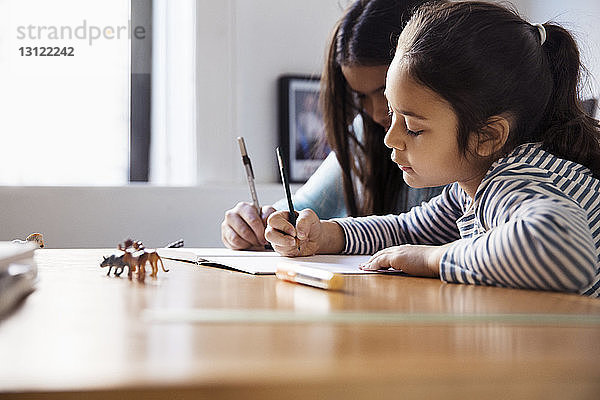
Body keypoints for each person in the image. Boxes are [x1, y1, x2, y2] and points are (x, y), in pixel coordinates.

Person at [265, 0, 600, 297]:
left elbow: (565, 250)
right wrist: (326, 234)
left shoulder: (518, 180)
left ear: (487, 136)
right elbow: (407, 229)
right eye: (393, 113)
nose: (389, 138)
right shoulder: (471, 187)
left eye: (413, 127)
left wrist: (432, 257)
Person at [221, 0, 443, 250]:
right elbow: (400, 231)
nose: (377, 113)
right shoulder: (366, 132)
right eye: (360, 97)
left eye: (385, 91)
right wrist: (260, 227)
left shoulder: (478, 184)